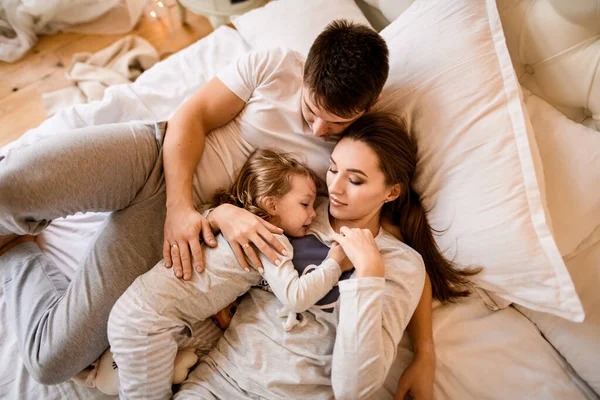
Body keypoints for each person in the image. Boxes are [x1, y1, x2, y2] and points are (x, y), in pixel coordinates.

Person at [0, 19, 452, 398]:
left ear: (368, 105)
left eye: (335, 121)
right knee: (10, 182)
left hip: (171, 226)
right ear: (307, 70)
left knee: (50, 360)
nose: (318, 128)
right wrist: (179, 204)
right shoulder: (277, 66)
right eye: (312, 108)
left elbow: (397, 251)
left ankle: (14, 252)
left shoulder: (354, 158)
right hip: (159, 156)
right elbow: (191, 116)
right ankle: (25, 217)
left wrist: (426, 350)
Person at [163, 111, 458, 399]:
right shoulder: (299, 209)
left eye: (355, 181)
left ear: (391, 192)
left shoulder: (398, 263)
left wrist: (369, 274)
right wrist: (220, 214)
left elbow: (353, 389)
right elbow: (224, 225)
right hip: (218, 381)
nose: (335, 188)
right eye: (332, 169)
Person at [108, 148, 355, 399]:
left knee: (212, 340)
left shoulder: (223, 217)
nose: (313, 214)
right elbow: (296, 296)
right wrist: (334, 262)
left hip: (147, 308)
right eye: (305, 204)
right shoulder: (269, 239)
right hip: (148, 324)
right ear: (271, 204)